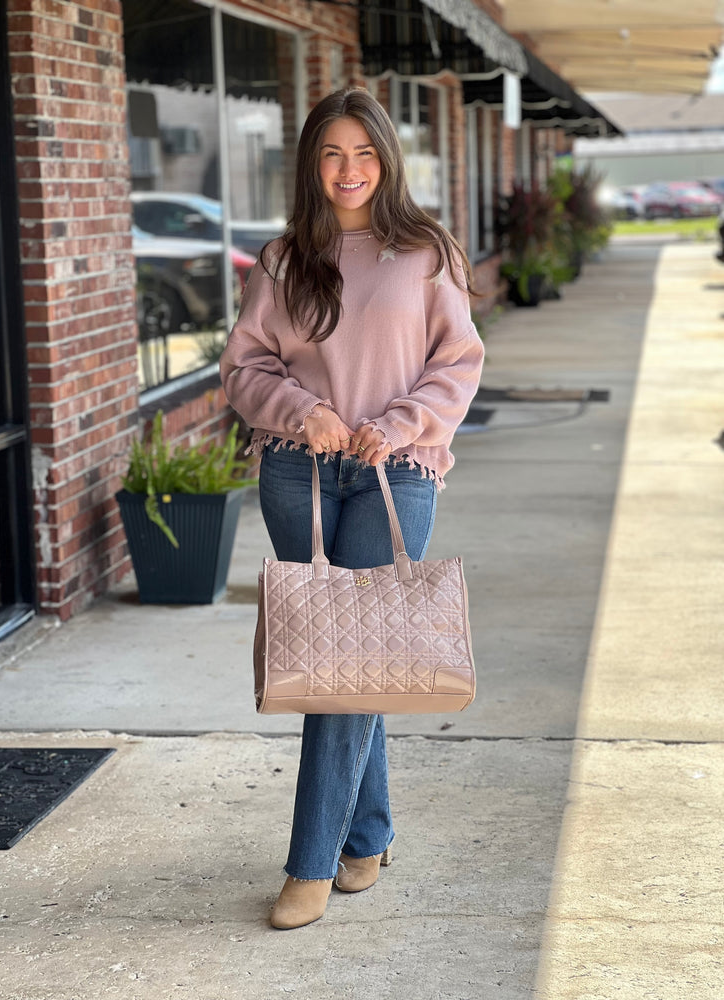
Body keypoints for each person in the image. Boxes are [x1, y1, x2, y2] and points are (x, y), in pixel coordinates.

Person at [219, 87, 484, 929]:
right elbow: (245, 372)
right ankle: (366, 835)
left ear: (386, 159)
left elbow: (458, 363)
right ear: (311, 163)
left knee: (347, 665)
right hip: (299, 472)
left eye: (363, 153)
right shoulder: (283, 260)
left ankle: (310, 864)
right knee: (340, 659)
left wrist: (397, 424)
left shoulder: (427, 252)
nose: (349, 170)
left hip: (396, 472)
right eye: (332, 154)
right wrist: (310, 412)